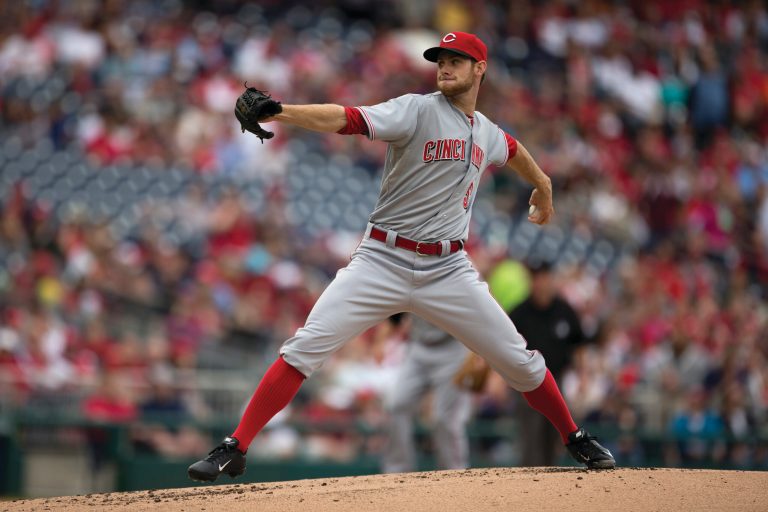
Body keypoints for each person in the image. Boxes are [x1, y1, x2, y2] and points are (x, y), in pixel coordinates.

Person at [188, 31, 614, 482]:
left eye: (457, 60)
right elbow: (347, 119)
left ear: (480, 69)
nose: (445, 67)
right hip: (382, 259)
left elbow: (512, 150)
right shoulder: (415, 108)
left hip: (448, 269)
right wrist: (282, 112)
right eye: (441, 60)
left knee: (520, 361)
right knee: (304, 348)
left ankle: (574, 436)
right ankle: (236, 446)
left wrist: (544, 185)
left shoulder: (485, 131)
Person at [508, 261, 586, 466]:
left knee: (554, 438)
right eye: (536, 278)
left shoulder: (565, 311)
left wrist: (583, 377)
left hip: (557, 380)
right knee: (530, 439)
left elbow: (579, 345)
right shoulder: (519, 313)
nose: (541, 283)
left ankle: (549, 486)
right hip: (527, 384)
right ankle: (530, 487)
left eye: (545, 277)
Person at [381, 313, 472, 473]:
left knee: (444, 418)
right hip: (418, 346)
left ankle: (454, 473)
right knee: (397, 404)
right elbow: (394, 308)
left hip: (453, 347)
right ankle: (397, 472)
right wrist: (386, 334)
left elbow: (484, 300)